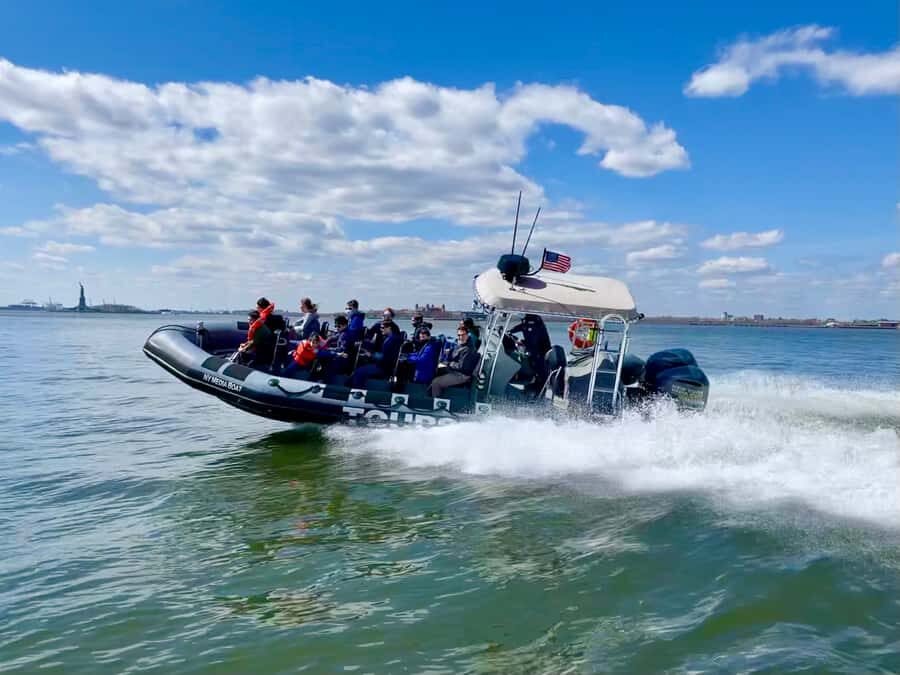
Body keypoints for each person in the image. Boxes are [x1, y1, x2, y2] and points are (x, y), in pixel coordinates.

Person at [428, 326, 480, 398]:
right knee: (433, 369)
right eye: (459, 335)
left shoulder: (469, 350)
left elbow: (462, 367)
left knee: (436, 382)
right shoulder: (461, 345)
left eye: (463, 335)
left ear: (467, 335)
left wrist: (448, 364)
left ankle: (436, 401)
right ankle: (430, 392)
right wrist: (449, 353)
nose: (461, 337)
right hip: (455, 370)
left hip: (462, 375)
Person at [350, 320, 402, 388]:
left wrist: (371, 355)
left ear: (389, 328)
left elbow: (385, 357)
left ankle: (356, 391)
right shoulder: (393, 338)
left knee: (359, 372)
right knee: (362, 369)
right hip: (386, 366)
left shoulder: (391, 340)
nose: (381, 330)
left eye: (383, 328)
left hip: (384, 367)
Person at [508, 314, 551, 381]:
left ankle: (541, 382)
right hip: (536, 353)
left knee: (541, 370)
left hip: (540, 354)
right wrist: (510, 332)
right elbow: (520, 328)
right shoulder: (530, 324)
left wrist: (521, 342)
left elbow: (533, 341)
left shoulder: (534, 325)